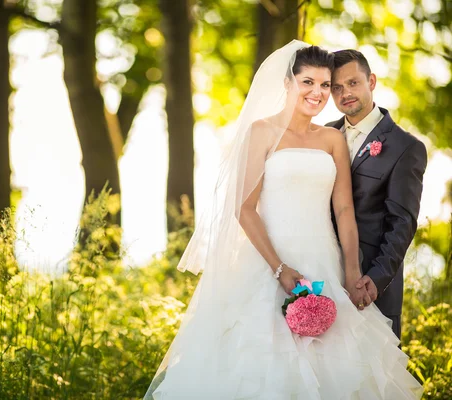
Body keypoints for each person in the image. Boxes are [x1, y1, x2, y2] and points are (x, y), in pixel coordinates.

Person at [144, 41, 423, 399]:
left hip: (326, 263)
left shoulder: (332, 139)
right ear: (289, 82)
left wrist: (352, 271)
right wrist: (279, 268)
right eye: (309, 82)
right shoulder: (261, 132)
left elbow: (344, 212)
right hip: (268, 260)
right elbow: (244, 209)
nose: (320, 93)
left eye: (326, 85)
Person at [327, 49, 428, 339]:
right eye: (336, 87)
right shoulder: (321, 135)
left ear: (371, 81)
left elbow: (402, 223)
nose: (345, 93)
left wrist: (376, 278)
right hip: (321, 273)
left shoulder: (405, 148)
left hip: (371, 284)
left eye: (353, 83)